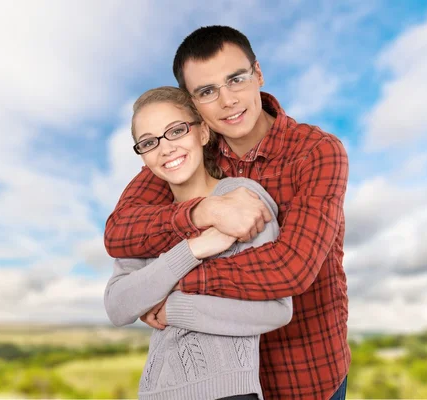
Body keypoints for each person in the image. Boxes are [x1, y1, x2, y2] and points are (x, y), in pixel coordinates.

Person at [105, 26, 350, 399]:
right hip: (211, 383)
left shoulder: (315, 152)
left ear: (259, 74)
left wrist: (168, 291)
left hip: (303, 374)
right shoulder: (183, 149)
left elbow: (291, 268)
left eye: (236, 79)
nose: (228, 100)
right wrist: (202, 212)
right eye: (207, 91)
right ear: (193, 105)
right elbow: (119, 231)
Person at [104, 86, 293, 400]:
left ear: (203, 132)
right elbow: (117, 305)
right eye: (149, 142)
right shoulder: (146, 222)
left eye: (176, 131)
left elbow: (275, 310)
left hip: (230, 393)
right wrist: (194, 249)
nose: (165, 149)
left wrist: (173, 308)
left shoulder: (241, 200)